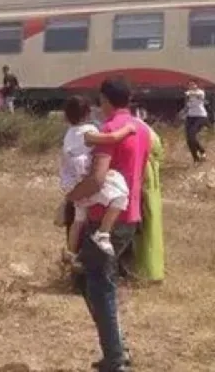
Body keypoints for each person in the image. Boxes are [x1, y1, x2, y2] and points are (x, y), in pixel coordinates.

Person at [66, 77, 150, 372]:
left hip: (105, 218)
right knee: (98, 282)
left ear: (104, 100)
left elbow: (98, 178)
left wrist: (71, 197)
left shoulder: (109, 130)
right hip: (130, 214)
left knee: (98, 286)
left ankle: (115, 357)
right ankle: (115, 350)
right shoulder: (141, 128)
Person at [58, 96, 135, 262]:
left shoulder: (69, 133)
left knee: (78, 221)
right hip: (84, 183)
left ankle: (71, 253)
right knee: (120, 195)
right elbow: (112, 138)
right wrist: (128, 129)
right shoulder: (86, 132)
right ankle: (104, 233)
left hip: (72, 184)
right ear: (87, 114)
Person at [133, 117, 165, 283]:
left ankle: (143, 270)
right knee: (153, 228)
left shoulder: (132, 127)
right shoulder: (147, 129)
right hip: (153, 183)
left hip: (141, 179)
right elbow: (160, 153)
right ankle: (154, 271)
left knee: (141, 231)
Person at [182, 80, 208, 163]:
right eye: (189, 85)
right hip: (190, 117)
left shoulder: (200, 92)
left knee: (191, 134)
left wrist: (190, 93)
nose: (192, 86)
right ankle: (196, 158)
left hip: (200, 116)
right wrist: (182, 112)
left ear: (196, 85)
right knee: (189, 139)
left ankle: (202, 151)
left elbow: (200, 96)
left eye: (193, 84)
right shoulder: (187, 95)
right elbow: (187, 105)